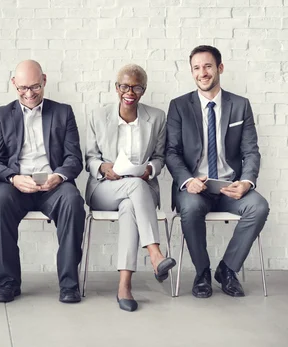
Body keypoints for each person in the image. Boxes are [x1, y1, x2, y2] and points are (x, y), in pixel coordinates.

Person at [166, 45, 269, 298]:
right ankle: (202, 272)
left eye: (208, 66)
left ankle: (228, 269)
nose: (203, 73)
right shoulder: (179, 106)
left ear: (220, 68)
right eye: (197, 68)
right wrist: (187, 180)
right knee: (189, 208)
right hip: (195, 188)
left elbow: (251, 151)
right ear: (192, 73)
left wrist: (246, 182)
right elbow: (171, 152)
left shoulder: (240, 105)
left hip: (229, 187)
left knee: (259, 207)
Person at [0, 60, 85, 304]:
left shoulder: (63, 112)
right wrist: (13, 177)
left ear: (44, 80)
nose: (29, 94)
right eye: (22, 88)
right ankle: (8, 283)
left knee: (73, 202)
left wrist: (59, 176)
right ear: (13, 84)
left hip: (53, 183)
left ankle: (69, 284)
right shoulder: (0, 115)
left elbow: (74, 158)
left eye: (35, 87)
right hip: (15, 184)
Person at [85, 64, 176, 312]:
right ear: (116, 88)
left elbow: (159, 157)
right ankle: (156, 255)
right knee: (133, 188)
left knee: (129, 207)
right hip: (104, 189)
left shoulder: (156, 118)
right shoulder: (98, 115)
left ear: (143, 90)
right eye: (124, 86)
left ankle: (124, 285)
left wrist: (150, 170)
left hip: (140, 191)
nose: (130, 91)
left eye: (136, 87)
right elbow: (90, 158)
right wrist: (104, 167)